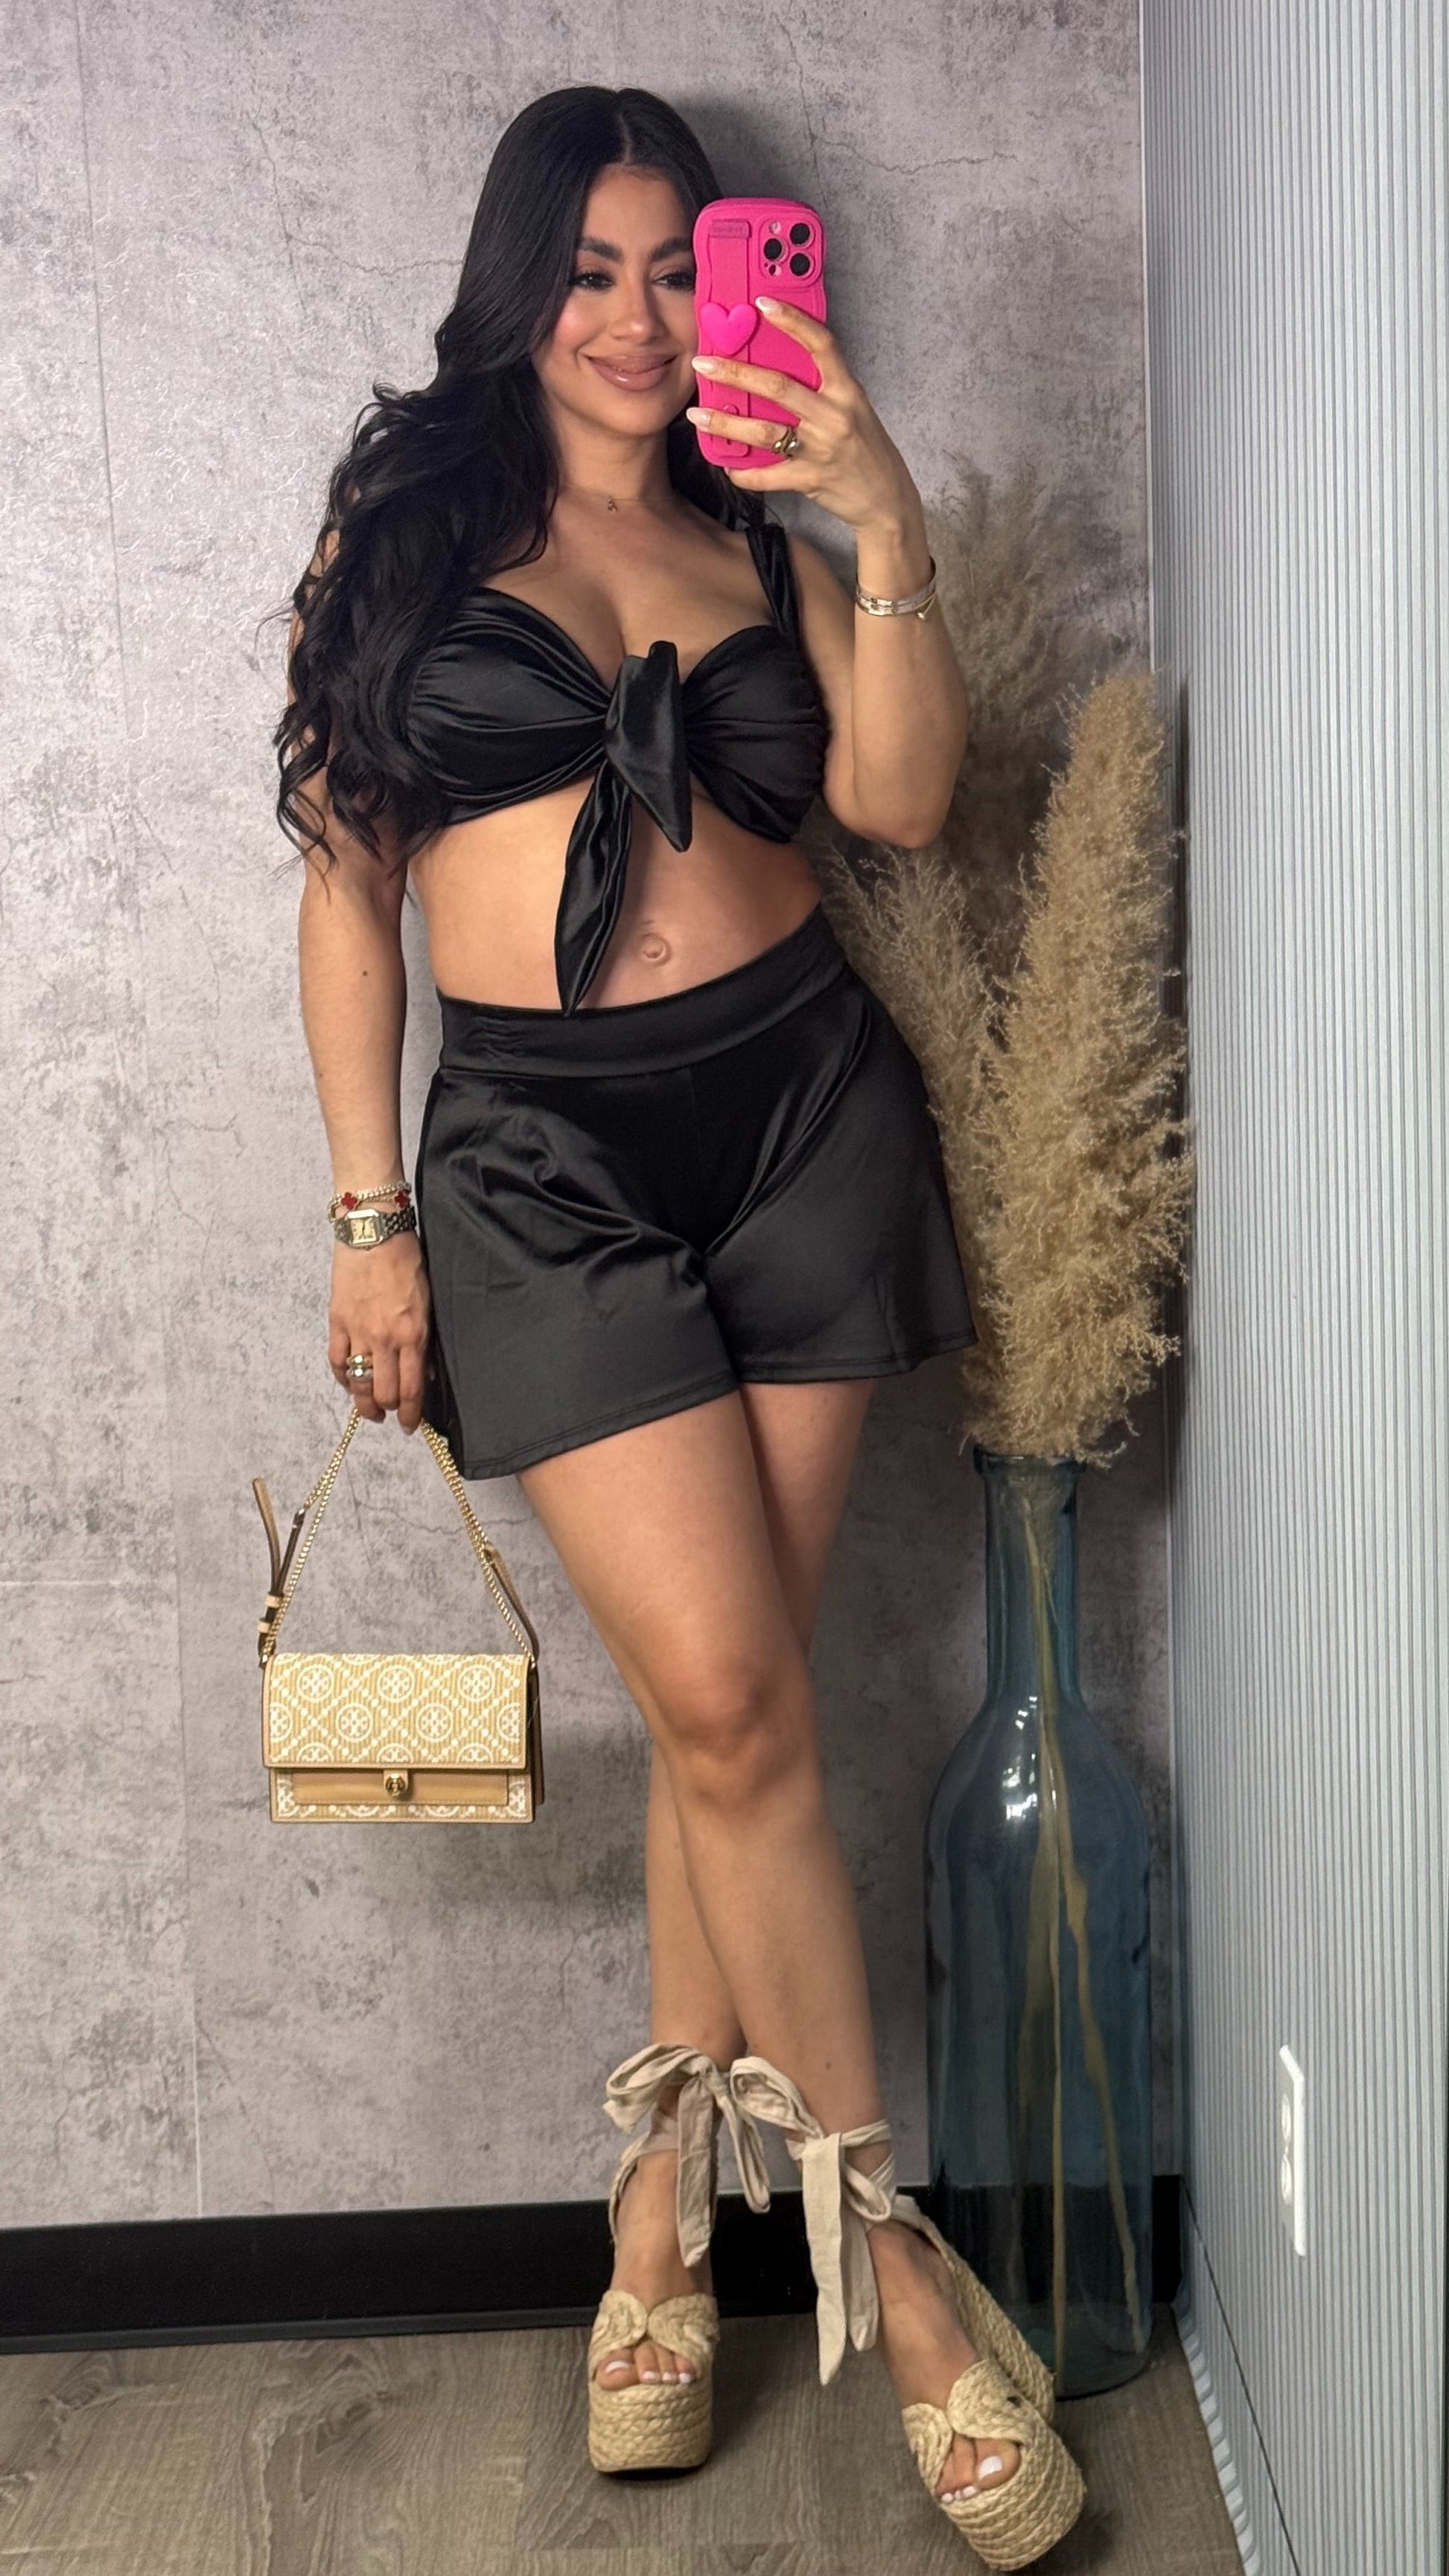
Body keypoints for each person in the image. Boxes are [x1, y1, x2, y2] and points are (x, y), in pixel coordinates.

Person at [276, 83, 1084, 2567]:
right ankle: (899, 2274)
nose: (634, 319)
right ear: (518, 283)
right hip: (540, 1166)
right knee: (732, 1709)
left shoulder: (764, 522)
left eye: (674, 268)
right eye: (591, 269)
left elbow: (906, 802)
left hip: (804, 1128)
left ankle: (653, 2215)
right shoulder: (406, 533)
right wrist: (369, 1213)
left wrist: (884, 515)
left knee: (728, 1715)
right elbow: (344, 891)